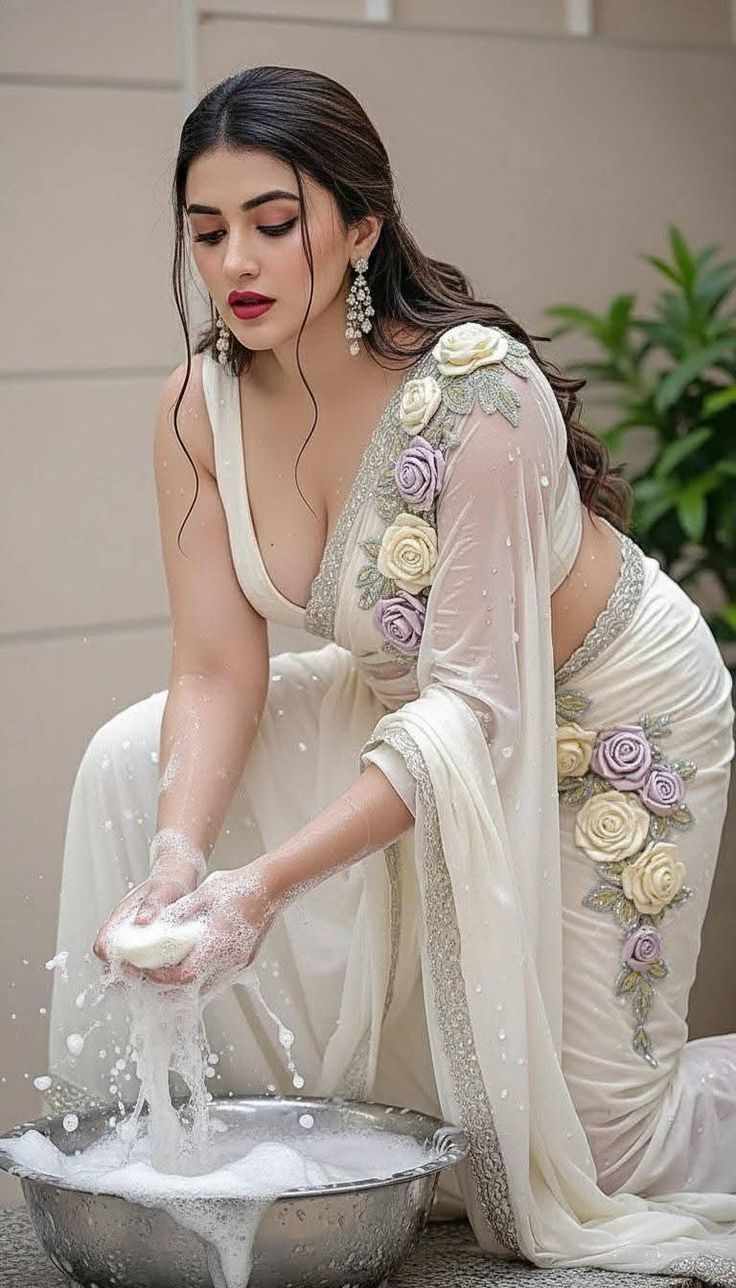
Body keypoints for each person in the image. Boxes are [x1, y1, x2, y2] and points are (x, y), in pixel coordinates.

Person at [47, 65, 736, 1280]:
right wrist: (181, 863)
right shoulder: (197, 406)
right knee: (126, 758)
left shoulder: (473, 390)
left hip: (606, 703)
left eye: (274, 223)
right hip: (409, 695)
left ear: (361, 228)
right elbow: (214, 668)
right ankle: (205, 1140)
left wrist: (261, 890)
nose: (235, 263)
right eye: (206, 231)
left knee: (597, 1157)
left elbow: (476, 705)